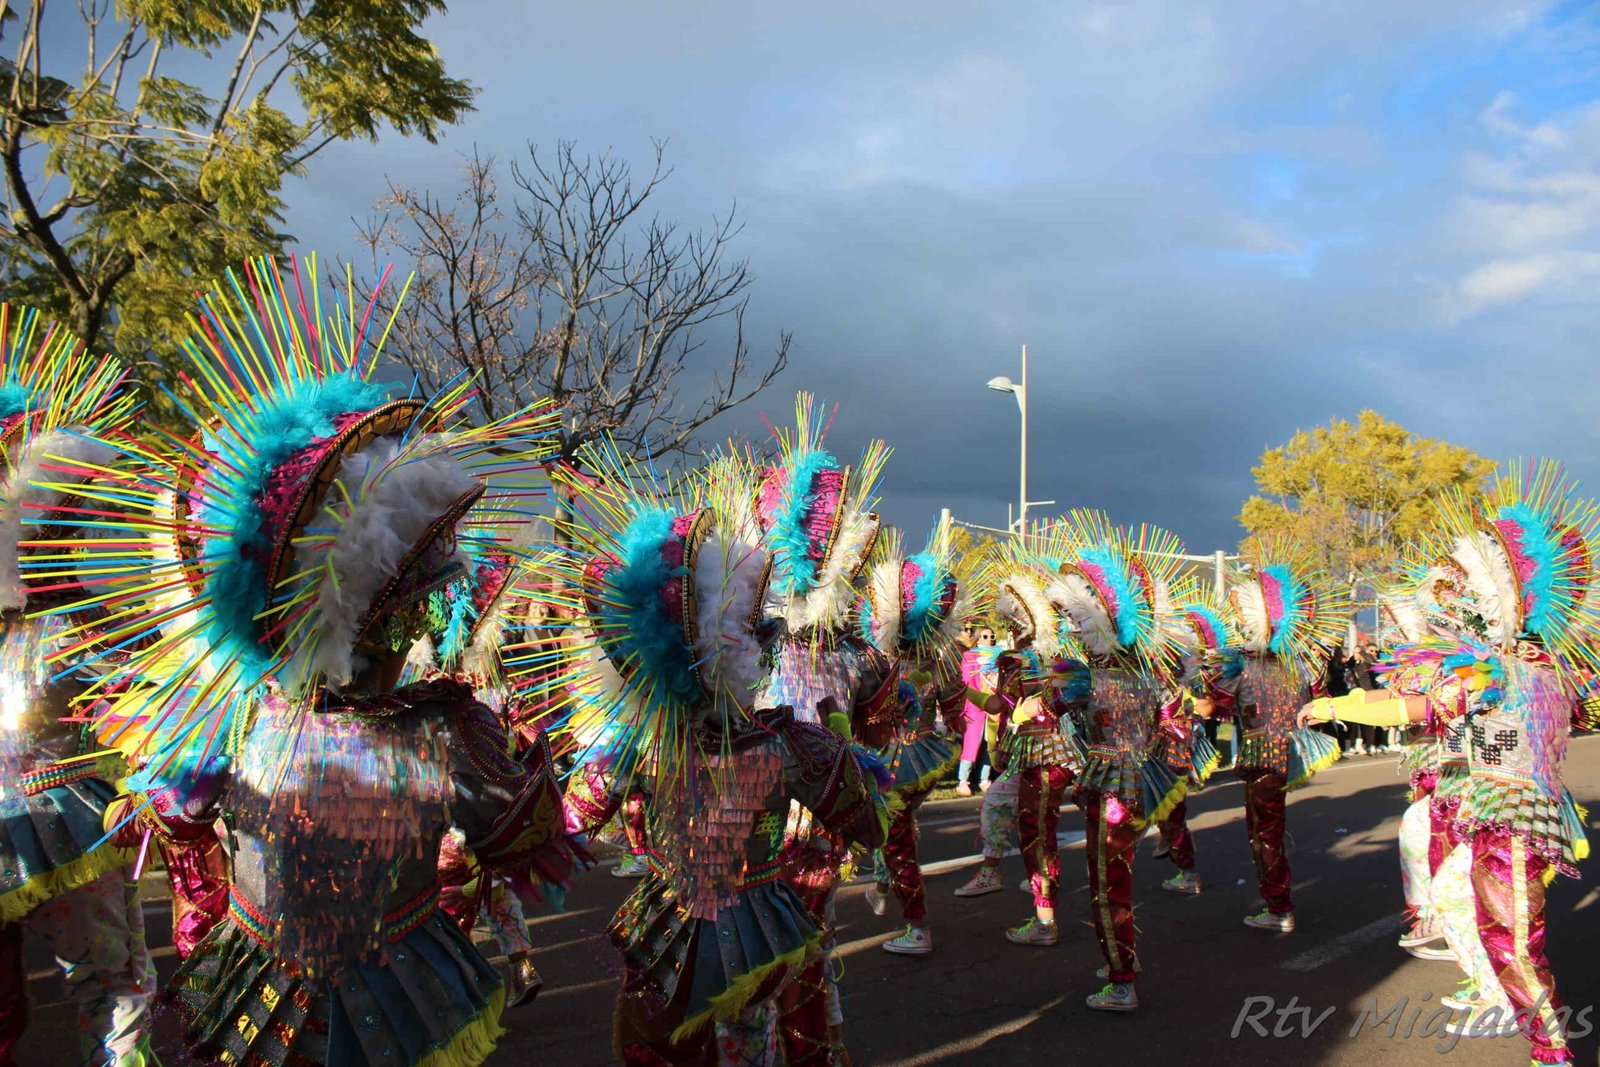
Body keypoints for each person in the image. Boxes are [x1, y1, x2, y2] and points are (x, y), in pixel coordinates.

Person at [79, 255, 575, 1066]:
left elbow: (176, 813)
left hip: (258, 991)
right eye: (417, 610)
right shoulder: (445, 730)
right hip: (400, 994)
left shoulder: (232, 714)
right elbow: (525, 838)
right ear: (394, 620)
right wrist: (531, 753)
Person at [549, 449, 889, 1063]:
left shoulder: (641, 749)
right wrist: (844, 745)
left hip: (671, 931)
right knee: (753, 1039)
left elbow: (565, 826)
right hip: (762, 926)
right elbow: (871, 825)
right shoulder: (793, 746)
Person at [1300, 461, 1597, 1065]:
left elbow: (1416, 706)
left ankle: (1552, 1052)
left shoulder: (1503, 669)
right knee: (1457, 897)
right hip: (1498, 810)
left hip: (1515, 822)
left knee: (1514, 943)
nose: (1463, 610)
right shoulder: (1542, 666)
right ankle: (1504, 1003)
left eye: (1474, 600)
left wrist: (1335, 705)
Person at [0, 306, 154, 1067]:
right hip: (73, 820)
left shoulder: (55, 629)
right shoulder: (82, 631)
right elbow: (138, 716)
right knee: (116, 985)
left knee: (106, 982)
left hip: (48, 820)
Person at [1203, 538, 1350, 933]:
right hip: (1294, 749)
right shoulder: (1302, 662)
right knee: (1269, 830)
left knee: (1264, 832)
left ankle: (1279, 908)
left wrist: (1198, 687)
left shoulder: (1240, 663)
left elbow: (1214, 706)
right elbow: (1318, 698)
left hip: (1263, 755)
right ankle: (1276, 903)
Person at [856, 521, 970, 956]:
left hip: (893, 764)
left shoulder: (879, 659)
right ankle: (882, 888)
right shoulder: (943, 659)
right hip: (927, 759)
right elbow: (957, 716)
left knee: (898, 840)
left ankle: (918, 926)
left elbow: (865, 710)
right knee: (893, 831)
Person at [955, 624, 1000, 794]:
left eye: (992, 636)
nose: (990, 639)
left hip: (994, 705)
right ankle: (963, 780)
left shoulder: (999, 657)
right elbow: (967, 682)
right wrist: (982, 701)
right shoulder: (969, 656)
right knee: (972, 742)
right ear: (978, 639)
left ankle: (984, 779)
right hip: (975, 706)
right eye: (986, 636)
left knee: (990, 742)